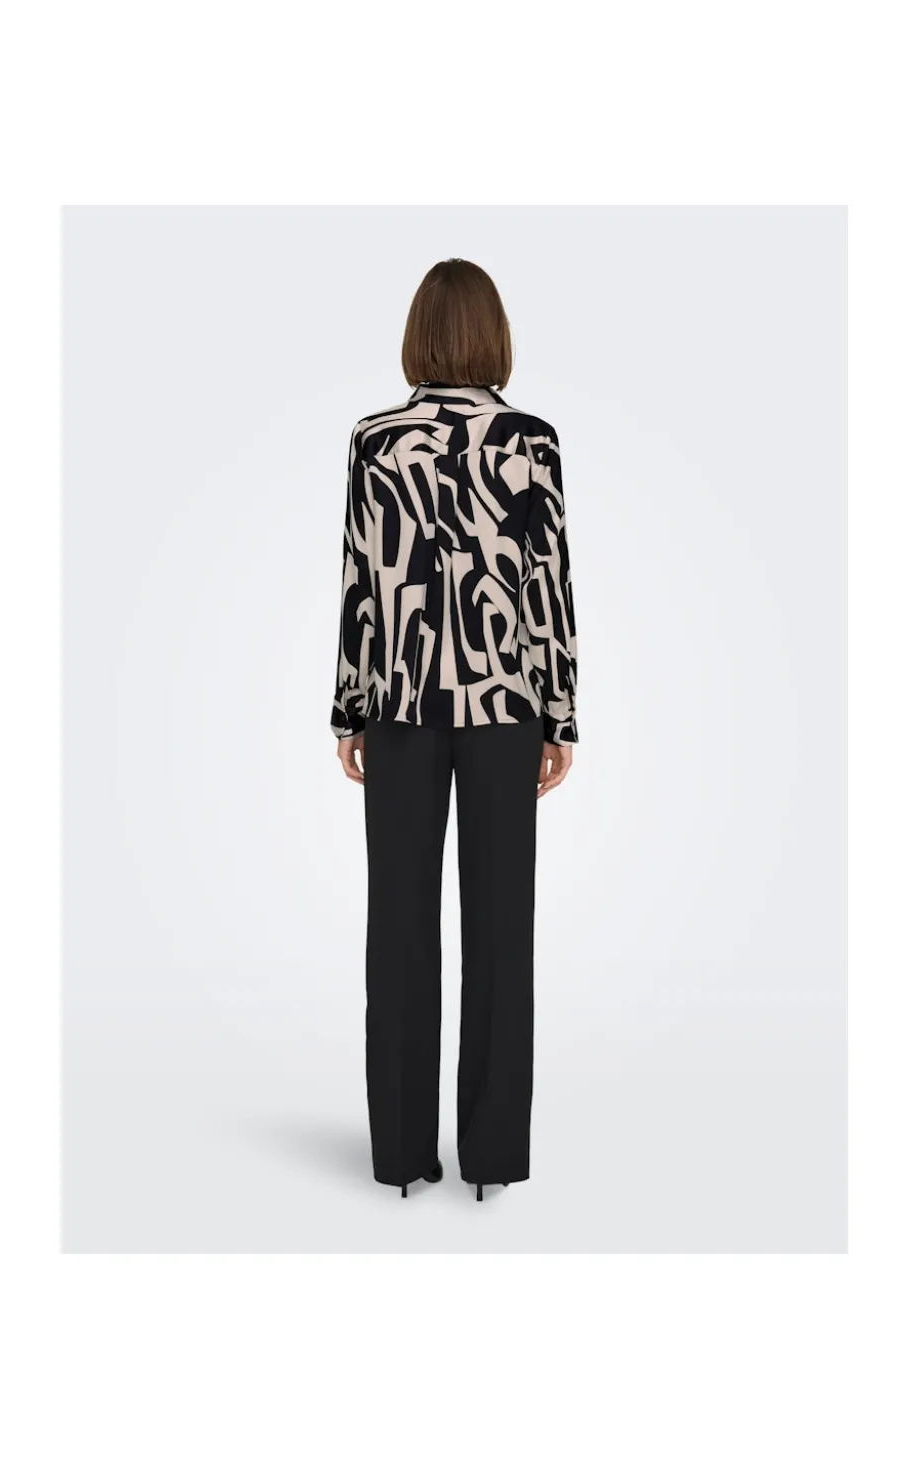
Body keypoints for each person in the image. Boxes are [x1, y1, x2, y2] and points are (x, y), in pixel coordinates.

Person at [329, 258, 579, 1202]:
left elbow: (361, 582)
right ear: (494, 338)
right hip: (507, 710)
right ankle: (492, 1159)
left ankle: (400, 1154)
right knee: (502, 930)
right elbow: (549, 587)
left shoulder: (374, 441)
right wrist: (560, 714)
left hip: (398, 707)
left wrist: (349, 707)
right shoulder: (531, 441)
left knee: (398, 928)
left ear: (419, 337)